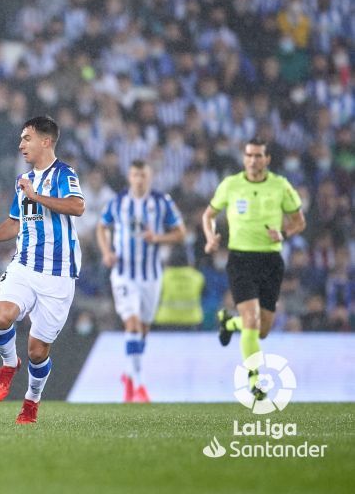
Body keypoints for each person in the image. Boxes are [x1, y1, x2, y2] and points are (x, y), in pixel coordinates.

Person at [0, 116, 84, 424]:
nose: (21, 144)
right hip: (24, 265)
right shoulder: (23, 180)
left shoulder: (63, 173)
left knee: (38, 352)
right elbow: (14, 221)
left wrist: (36, 196)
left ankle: (31, 402)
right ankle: (9, 364)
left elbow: (77, 206)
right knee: (1, 315)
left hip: (59, 274)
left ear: (46, 141)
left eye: (27, 138)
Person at [202, 138, 306, 400]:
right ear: (244, 157)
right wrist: (211, 237)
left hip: (271, 261)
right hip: (241, 259)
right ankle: (255, 381)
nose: (252, 160)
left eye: (258, 156)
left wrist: (283, 233)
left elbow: (299, 221)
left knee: (261, 329)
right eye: (249, 155)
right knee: (252, 320)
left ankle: (229, 322)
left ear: (267, 159)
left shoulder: (280, 186)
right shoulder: (231, 184)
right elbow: (208, 215)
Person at [96, 160, 186, 403]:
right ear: (129, 177)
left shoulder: (161, 202)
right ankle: (139, 385)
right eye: (135, 175)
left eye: (143, 175)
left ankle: (128, 374)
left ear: (150, 177)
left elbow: (181, 233)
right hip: (124, 274)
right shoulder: (118, 202)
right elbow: (102, 227)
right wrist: (106, 252)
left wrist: (157, 237)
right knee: (133, 325)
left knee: (143, 330)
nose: (139, 179)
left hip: (151, 276)